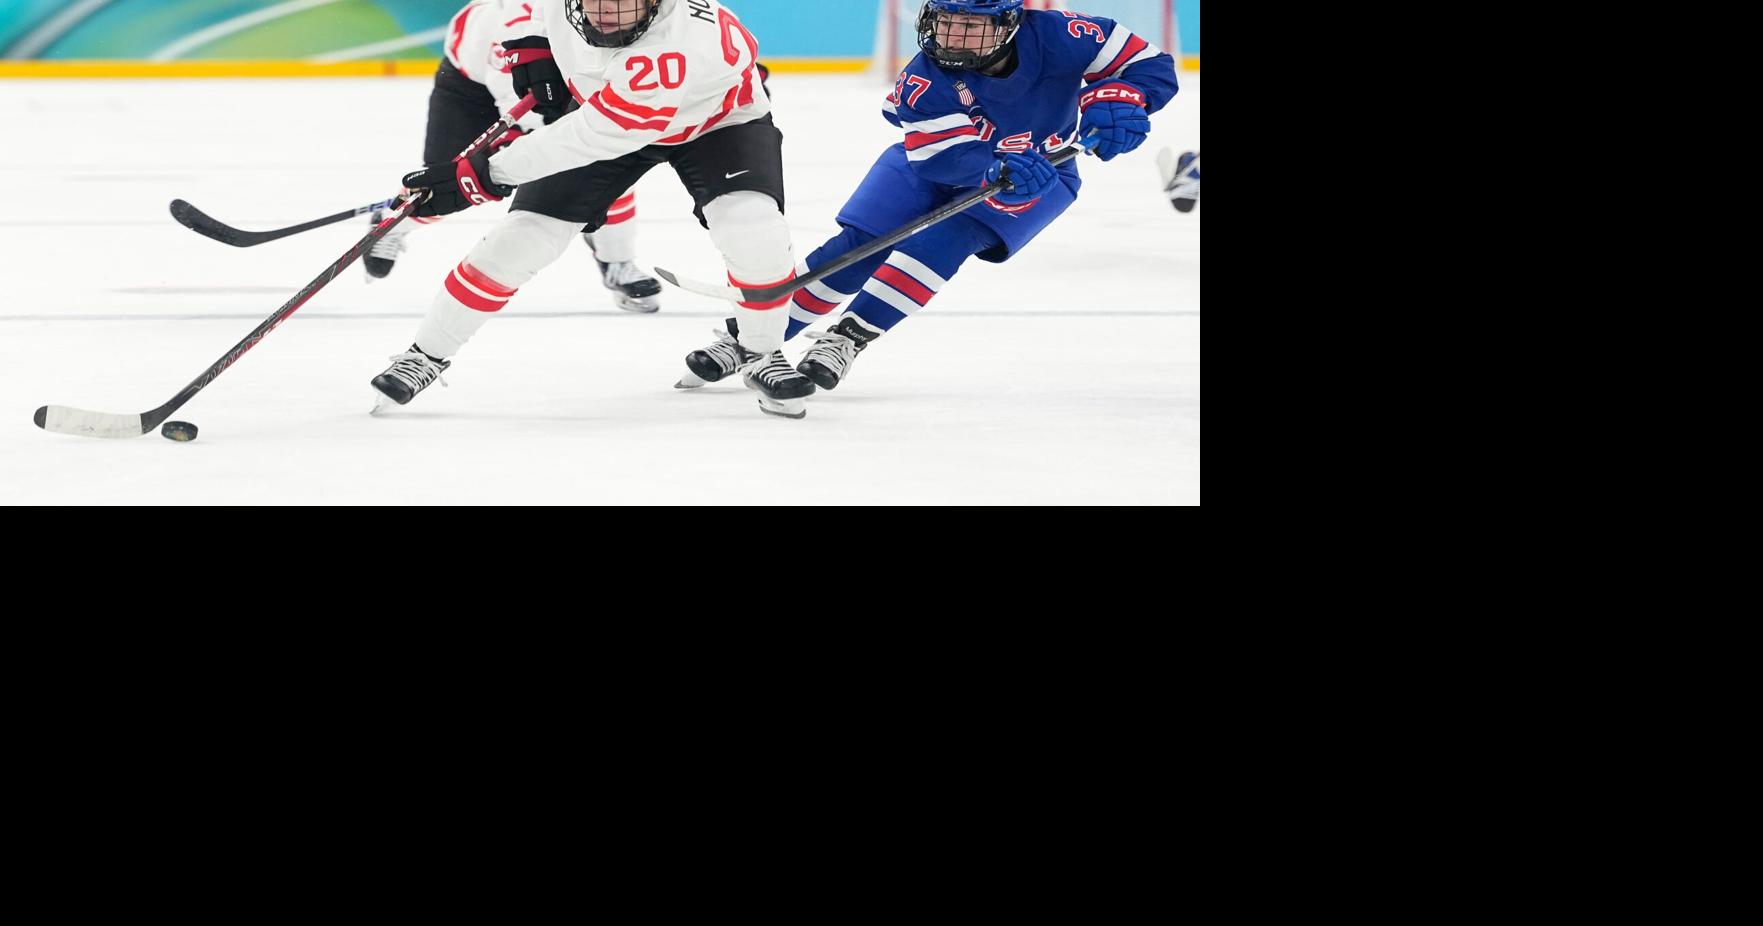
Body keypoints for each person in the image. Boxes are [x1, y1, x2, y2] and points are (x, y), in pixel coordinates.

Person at [679, 0, 1177, 394]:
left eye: (972, 24)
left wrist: (1120, 99)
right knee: (856, 247)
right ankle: (750, 338)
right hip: (934, 164)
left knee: (947, 240)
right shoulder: (921, 81)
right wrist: (991, 168)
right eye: (945, 21)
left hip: (1046, 173)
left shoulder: (1066, 35)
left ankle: (847, 339)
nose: (953, 36)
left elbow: (1151, 67)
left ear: (1010, 23)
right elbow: (941, 160)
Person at [371, 0, 817, 418]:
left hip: (717, 122)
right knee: (520, 239)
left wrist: (488, 173)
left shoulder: (676, 44)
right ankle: (423, 354)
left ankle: (761, 352)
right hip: (608, 106)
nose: (604, 12)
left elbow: (591, 136)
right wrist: (533, 38)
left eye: (623, 1)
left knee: (753, 230)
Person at [365, 0, 662, 313]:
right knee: (449, 182)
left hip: (557, 80)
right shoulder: (519, 26)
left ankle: (617, 261)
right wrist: (515, 142)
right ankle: (390, 224)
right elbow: (514, 92)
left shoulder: (597, 12)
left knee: (607, 164)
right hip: (471, 84)